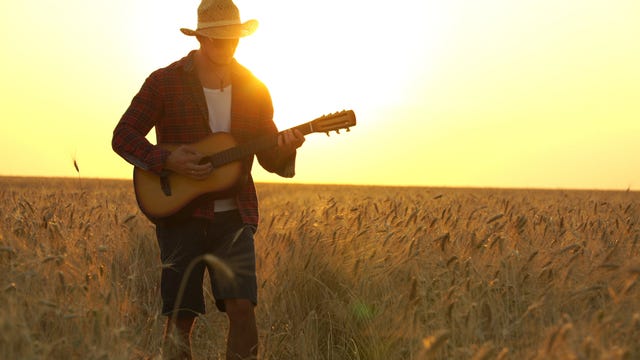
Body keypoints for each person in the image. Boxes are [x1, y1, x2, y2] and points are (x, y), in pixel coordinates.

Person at [112, 0, 305, 358]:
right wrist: (167, 158)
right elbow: (123, 135)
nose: (224, 46)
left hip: (234, 217)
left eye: (232, 39)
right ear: (200, 37)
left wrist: (287, 146)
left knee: (243, 310)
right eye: (216, 39)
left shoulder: (255, 88)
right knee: (180, 319)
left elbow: (269, 157)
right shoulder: (165, 81)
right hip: (180, 215)